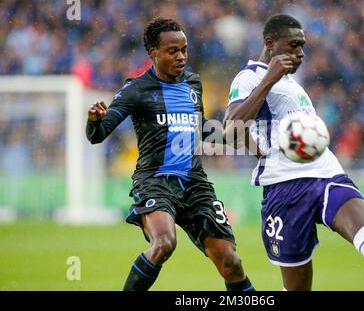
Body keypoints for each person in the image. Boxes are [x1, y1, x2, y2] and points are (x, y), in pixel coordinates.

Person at [223, 14, 364, 291]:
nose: (301, 53)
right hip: (284, 189)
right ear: (270, 43)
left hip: (327, 174)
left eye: (303, 46)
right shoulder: (250, 77)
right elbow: (231, 129)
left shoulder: (294, 84)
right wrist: (268, 80)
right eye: (293, 45)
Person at [86, 17, 254, 292]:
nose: (181, 57)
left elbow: (202, 132)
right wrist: (94, 120)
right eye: (172, 51)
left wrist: (240, 137)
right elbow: (97, 135)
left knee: (231, 262)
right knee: (164, 243)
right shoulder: (136, 90)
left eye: (184, 50)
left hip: (194, 183)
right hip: (155, 180)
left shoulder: (193, 85)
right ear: (153, 52)